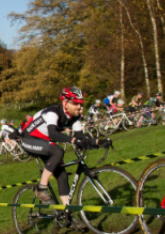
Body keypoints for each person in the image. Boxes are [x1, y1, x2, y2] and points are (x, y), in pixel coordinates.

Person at [20, 87, 110, 224]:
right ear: (65, 103)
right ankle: (41, 188)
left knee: (62, 176)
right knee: (58, 151)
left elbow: (81, 138)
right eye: (75, 103)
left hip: (45, 143)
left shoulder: (75, 117)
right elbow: (53, 134)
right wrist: (72, 140)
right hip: (29, 139)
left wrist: (98, 142)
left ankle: (68, 213)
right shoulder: (53, 112)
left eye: (81, 103)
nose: (79, 106)